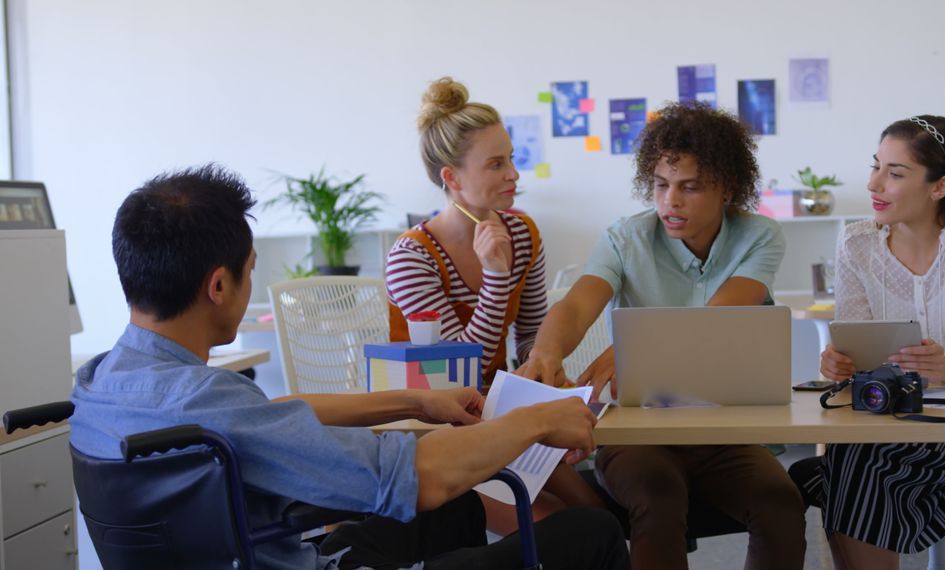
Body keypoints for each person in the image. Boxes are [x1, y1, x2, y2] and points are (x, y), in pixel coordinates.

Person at [69, 165, 629, 570]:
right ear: (219, 285)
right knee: (591, 531)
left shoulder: (101, 382)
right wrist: (535, 422)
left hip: (263, 549)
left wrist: (415, 400)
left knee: (459, 509)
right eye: (249, 271)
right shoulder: (211, 405)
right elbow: (418, 475)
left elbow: (265, 417)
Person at [517, 102, 806, 570]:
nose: (671, 200)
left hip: (720, 432)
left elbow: (719, 315)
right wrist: (545, 351)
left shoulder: (759, 236)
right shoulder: (624, 238)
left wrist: (633, 354)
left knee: (779, 501)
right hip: (638, 432)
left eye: (690, 187)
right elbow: (576, 305)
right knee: (658, 496)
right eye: (660, 185)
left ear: (728, 189)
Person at [385, 77, 602, 534]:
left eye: (513, 160)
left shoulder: (522, 232)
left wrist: (546, 388)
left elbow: (531, 338)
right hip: (435, 430)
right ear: (452, 177)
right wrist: (496, 278)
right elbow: (461, 371)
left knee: (599, 516)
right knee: (561, 529)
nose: (514, 175)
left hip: (500, 412)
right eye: (497, 164)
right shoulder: (411, 257)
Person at [813, 116, 945, 569]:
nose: (874, 183)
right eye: (876, 166)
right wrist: (839, 362)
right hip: (886, 420)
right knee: (853, 460)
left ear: (940, 186)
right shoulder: (856, 243)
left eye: (895, 173)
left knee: (848, 467)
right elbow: (857, 345)